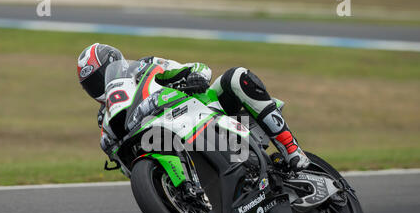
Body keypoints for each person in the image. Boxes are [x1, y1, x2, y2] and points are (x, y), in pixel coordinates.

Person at [77, 43, 310, 172]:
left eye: (101, 77)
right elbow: (126, 166)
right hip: (168, 142)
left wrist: (194, 77)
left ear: (116, 61)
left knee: (236, 77)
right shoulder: (107, 118)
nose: (101, 85)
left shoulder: (146, 66)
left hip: (204, 111)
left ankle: (291, 149)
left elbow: (196, 67)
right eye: (93, 84)